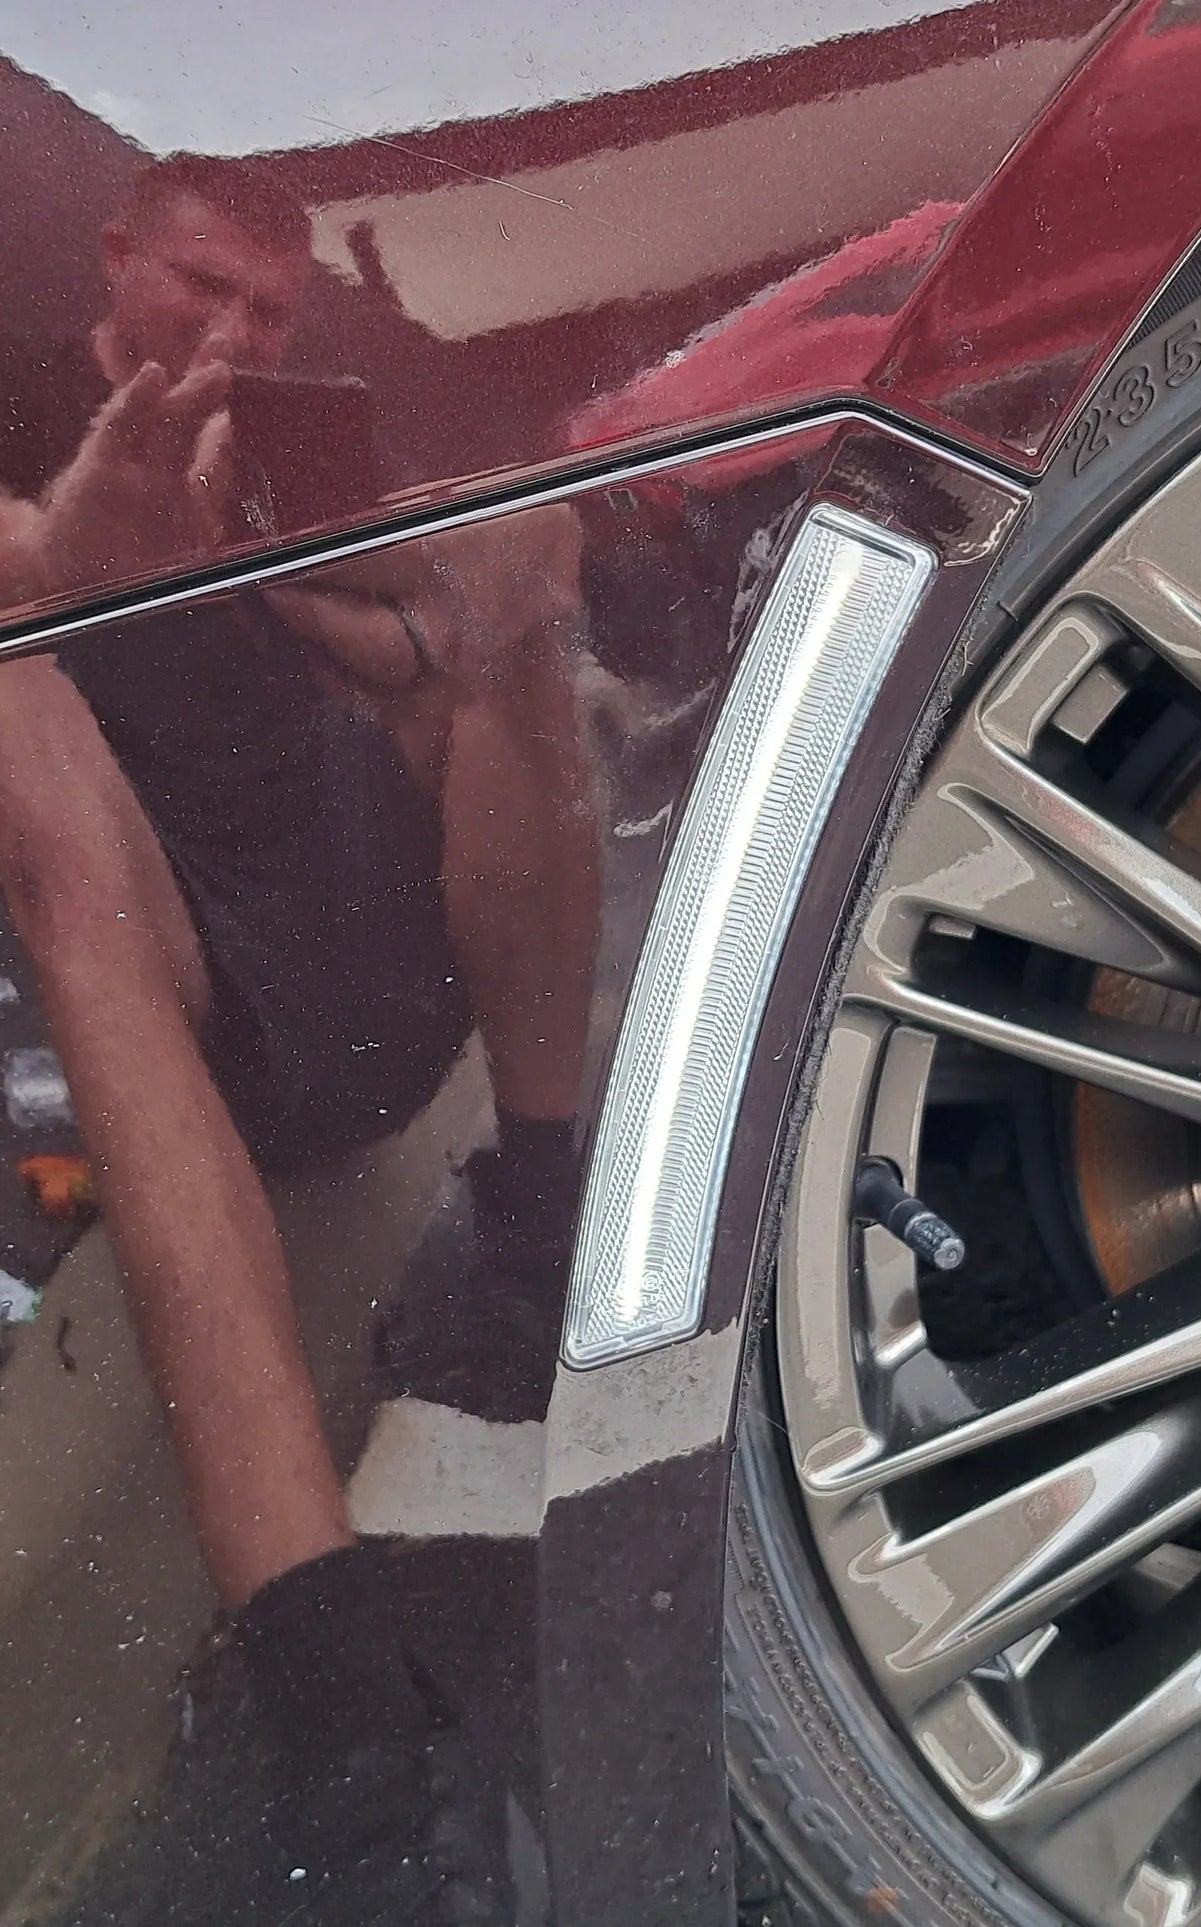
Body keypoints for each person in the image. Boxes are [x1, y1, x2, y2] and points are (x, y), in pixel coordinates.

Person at [0, 154, 598, 1922]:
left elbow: (429, 622)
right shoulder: (32, 396)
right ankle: (335, 1697)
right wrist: (72, 560)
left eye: (267, 306)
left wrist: (314, 580)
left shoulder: (273, 433)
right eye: (204, 287)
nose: (235, 329)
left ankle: (544, 1213)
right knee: (18, 701)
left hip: (372, 916)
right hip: (190, 968)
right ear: (119, 255)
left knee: (521, 585)